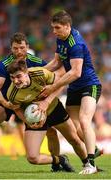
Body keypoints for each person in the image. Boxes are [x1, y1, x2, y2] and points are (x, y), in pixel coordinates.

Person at [0, 32, 71, 173]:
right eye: (15, 48)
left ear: (27, 47)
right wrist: (5, 103)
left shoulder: (37, 62)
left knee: (50, 130)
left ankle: (57, 162)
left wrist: (47, 93)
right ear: (11, 48)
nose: (18, 51)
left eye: (21, 47)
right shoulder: (4, 64)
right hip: (7, 101)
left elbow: (52, 76)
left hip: (27, 102)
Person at [39, 10, 102, 174]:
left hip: (90, 85)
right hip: (74, 87)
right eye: (53, 28)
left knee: (84, 119)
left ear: (67, 26)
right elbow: (56, 63)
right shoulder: (61, 39)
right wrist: (36, 73)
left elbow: (76, 72)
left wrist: (52, 88)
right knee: (74, 127)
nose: (54, 31)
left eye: (57, 28)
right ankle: (93, 148)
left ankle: (91, 164)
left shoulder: (75, 44)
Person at [6, 59, 87, 172]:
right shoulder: (12, 93)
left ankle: (88, 164)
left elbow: (60, 84)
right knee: (32, 158)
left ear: (26, 73)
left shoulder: (40, 73)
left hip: (54, 109)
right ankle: (59, 161)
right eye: (12, 78)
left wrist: (46, 102)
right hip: (35, 119)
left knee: (74, 139)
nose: (15, 81)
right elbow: (17, 108)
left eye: (18, 76)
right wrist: (27, 121)